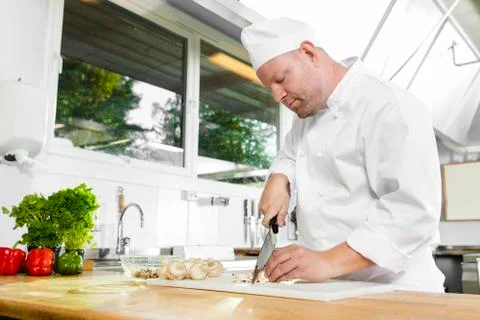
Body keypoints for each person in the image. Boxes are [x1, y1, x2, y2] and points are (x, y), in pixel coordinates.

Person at [241, 17, 445, 292]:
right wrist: (279, 178)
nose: (277, 96)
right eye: (271, 89)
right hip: (331, 290)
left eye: (280, 79)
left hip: (397, 291)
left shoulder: (389, 105)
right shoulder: (307, 113)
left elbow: (413, 212)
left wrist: (327, 262)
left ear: (309, 53)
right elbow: (290, 153)